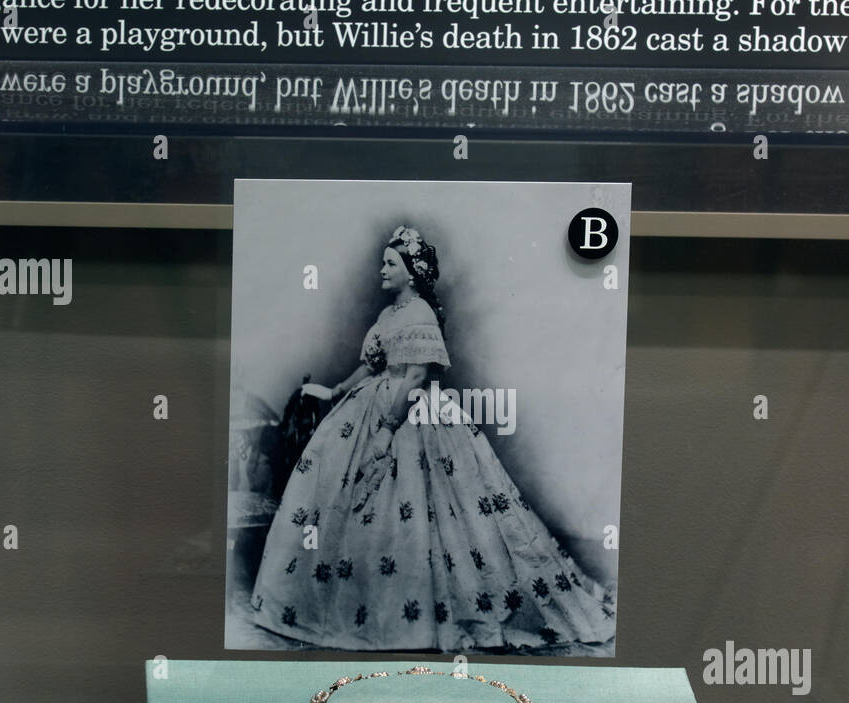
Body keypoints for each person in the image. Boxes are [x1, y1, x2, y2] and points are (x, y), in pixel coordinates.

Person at [248, 225, 615, 651]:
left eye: (390, 264)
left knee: (426, 512)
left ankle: (422, 619)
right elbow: (370, 366)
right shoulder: (388, 315)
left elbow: (418, 377)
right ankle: (360, 609)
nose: (381, 270)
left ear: (411, 271)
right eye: (383, 262)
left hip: (411, 413)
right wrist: (333, 392)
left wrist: (386, 429)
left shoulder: (420, 313)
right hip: (371, 405)